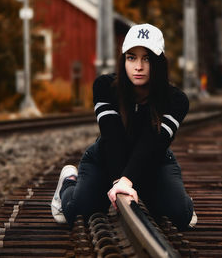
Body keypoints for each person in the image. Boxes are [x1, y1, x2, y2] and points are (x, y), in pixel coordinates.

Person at [50, 23, 196, 231]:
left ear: (159, 62)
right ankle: (69, 181)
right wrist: (120, 182)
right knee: (77, 212)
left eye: (147, 58)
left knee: (180, 216)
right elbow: (112, 137)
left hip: (153, 162)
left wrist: (126, 182)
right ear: (123, 60)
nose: (138, 66)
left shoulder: (176, 100)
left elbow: (153, 143)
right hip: (104, 160)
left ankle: (179, 198)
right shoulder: (105, 87)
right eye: (131, 57)